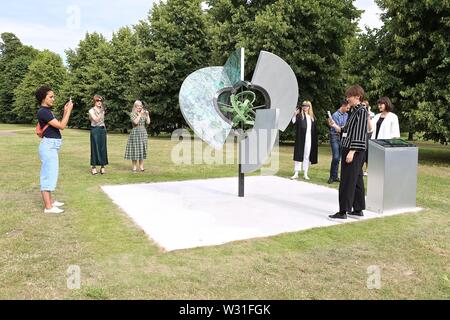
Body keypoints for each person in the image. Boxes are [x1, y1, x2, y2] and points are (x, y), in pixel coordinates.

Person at [329, 85, 368, 220]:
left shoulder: (361, 111)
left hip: (353, 150)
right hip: (352, 149)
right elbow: (347, 131)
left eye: (350, 96)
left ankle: (343, 211)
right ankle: (358, 209)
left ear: (357, 97)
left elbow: (359, 133)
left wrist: (352, 151)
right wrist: (335, 126)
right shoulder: (354, 111)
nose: (347, 99)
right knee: (356, 180)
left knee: (346, 180)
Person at [36, 86, 73, 214]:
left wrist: (65, 111)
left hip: (51, 146)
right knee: (48, 175)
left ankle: (50, 202)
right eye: (51, 96)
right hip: (48, 146)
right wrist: (69, 111)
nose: (53, 98)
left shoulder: (46, 111)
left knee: (51, 173)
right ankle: (48, 207)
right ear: (43, 98)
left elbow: (59, 123)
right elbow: (62, 126)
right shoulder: (43, 112)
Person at [290, 100, 318, 180]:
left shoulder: (312, 117)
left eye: (306, 106)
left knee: (307, 155)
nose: (305, 107)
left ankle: (305, 172)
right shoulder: (299, 116)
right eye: (303, 106)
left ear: (309, 107)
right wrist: (294, 115)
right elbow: (293, 122)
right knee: (299, 154)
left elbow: (314, 130)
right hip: (301, 138)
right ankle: (296, 172)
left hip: (309, 139)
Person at [327, 99, 349, 184]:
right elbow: (338, 129)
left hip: (342, 138)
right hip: (334, 137)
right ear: (343, 106)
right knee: (336, 157)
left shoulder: (346, 115)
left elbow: (343, 127)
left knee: (339, 158)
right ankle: (331, 177)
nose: (348, 109)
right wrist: (341, 127)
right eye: (347, 108)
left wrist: (342, 127)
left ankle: (335, 176)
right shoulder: (335, 115)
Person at [125, 100, 151, 172]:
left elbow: (148, 122)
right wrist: (139, 114)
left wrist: (147, 115)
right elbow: (136, 122)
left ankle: (141, 166)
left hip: (143, 132)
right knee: (135, 150)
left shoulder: (144, 113)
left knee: (142, 149)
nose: (140, 107)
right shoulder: (133, 114)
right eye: (138, 106)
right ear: (135, 106)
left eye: (141, 106)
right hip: (135, 132)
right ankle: (134, 167)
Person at [88, 95, 108, 175]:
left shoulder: (102, 110)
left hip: (102, 130)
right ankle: (93, 167)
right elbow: (96, 120)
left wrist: (105, 130)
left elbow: (102, 121)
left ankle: (102, 167)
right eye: (97, 100)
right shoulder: (91, 110)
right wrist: (101, 111)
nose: (99, 102)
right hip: (95, 130)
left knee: (103, 148)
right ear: (94, 101)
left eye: (100, 100)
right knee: (95, 148)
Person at [362, 100, 375, 176]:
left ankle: (367, 169)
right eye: (362, 105)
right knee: (362, 151)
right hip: (362, 134)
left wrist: (368, 112)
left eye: (364, 105)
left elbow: (370, 127)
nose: (363, 107)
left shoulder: (372, 114)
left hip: (369, 134)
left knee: (368, 152)